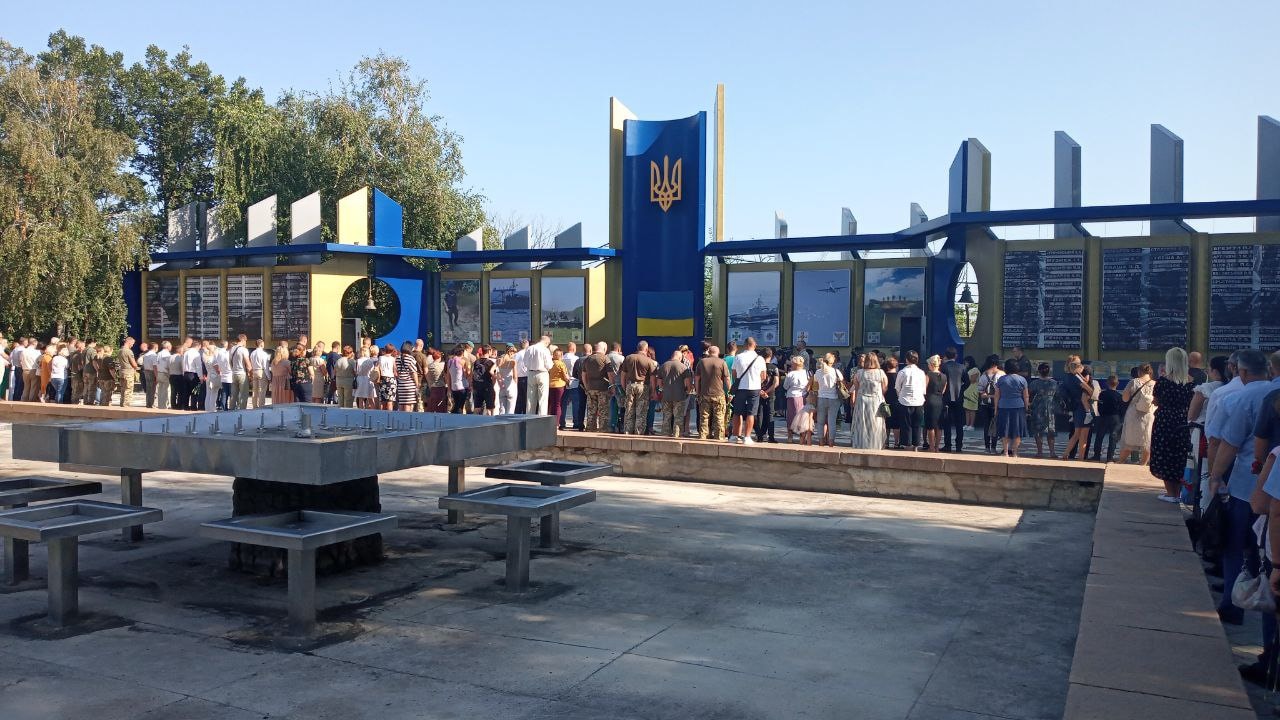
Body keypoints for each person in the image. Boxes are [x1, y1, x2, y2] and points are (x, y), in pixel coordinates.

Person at [1208, 349, 1272, 626]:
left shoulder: (1243, 397)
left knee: (1234, 545)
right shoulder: (1274, 393)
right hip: (1273, 490)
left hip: (1246, 486)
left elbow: (1228, 442)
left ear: (1241, 371)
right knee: (1266, 549)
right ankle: (1262, 597)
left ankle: (1233, 604)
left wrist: (1215, 476)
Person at [1149, 348, 1196, 502]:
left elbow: (1156, 400)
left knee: (1164, 453)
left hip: (1165, 421)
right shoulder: (1191, 382)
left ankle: (1171, 493)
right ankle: (1179, 492)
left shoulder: (1163, 382)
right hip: (1183, 420)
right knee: (1180, 455)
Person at [729, 338, 765, 444]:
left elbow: (734, 374)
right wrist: (757, 381)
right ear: (755, 345)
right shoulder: (760, 359)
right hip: (755, 388)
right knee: (751, 413)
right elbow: (763, 376)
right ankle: (747, 437)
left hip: (740, 388)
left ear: (744, 345)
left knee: (737, 412)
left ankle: (735, 436)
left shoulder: (738, 357)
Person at [849, 352, 888, 450]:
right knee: (876, 424)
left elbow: (856, 388)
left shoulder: (859, 373)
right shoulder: (881, 373)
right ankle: (876, 445)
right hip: (876, 401)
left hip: (862, 401)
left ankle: (860, 444)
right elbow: (885, 388)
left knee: (861, 424)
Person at [1119, 364, 1156, 465]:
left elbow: (1125, 399)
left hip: (1133, 414)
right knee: (1147, 441)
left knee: (1129, 440)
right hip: (1149, 414)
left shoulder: (1133, 382)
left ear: (1139, 372)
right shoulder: (1155, 384)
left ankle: (1121, 461)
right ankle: (1143, 464)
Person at [618, 341, 658, 434]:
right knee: (641, 411)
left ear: (637, 348)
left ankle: (628, 431)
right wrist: (653, 391)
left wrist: (624, 387)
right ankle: (638, 432)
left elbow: (623, 375)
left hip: (630, 385)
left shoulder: (628, 358)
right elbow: (653, 379)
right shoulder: (649, 361)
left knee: (629, 409)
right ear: (646, 349)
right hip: (643, 386)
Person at [994, 358, 1029, 457]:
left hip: (1003, 406)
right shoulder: (1022, 379)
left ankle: (1005, 452)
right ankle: (1015, 452)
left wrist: (996, 408)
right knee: (1017, 430)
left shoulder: (1001, 379)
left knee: (1005, 429)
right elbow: (1026, 396)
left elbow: (997, 395)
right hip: (1018, 406)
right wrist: (1026, 407)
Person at [1060, 361, 1094, 462]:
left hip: (1075, 407)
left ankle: (1066, 453)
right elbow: (1089, 390)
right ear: (1078, 368)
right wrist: (1091, 389)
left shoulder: (1067, 377)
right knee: (1084, 436)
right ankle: (1081, 457)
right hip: (1083, 409)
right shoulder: (1076, 378)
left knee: (1076, 434)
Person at [695, 346, 730, 441]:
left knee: (704, 417)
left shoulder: (701, 362)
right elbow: (727, 378)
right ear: (718, 352)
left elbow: (697, 379)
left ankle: (703, 436)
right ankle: (719, 437)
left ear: (708, 352)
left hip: (704, 393)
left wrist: (698, 392)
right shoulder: (722, 362)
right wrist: (729, 391)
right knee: (719, 417)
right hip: (719, 394)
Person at [579, 342, 614, 432]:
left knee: (591, 410)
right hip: (603, 388)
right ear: (604, 349)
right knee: (603, 410)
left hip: (590, 388)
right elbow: (610, 375)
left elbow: (583, 375)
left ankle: (590, 428)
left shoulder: (587, 359)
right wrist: (612, 386)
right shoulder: (605, 358)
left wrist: (586, 387)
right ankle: (603, 428)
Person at [895, 350, 926, 450]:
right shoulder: (921, 372)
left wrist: (900, 396)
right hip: (918, 401)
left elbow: (897, 387)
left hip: (905, 400)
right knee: (917, 425)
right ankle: (916, 445)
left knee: (906, 425)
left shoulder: (902, 372)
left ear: (906, 360)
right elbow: (923, 388)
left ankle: (907, 445)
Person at [658, 349, 692, 437]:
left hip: (666, 396)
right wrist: (688, 391)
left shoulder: (663, 365)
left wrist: (662, 389)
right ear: (680, 358)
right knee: (678, 417)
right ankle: (677, 435)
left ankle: (665, 434)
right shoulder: (683, 367)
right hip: (679, 396)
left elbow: (659, 382)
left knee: (666, 416)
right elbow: (688, 382)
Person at [1028, 363, 1059, 458]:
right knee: (1051, 431)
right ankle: (1052, 452)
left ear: (1039, 371)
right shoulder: (1054, 383)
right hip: (1050, 409)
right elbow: (1058, 396)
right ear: (1049, 371)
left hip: (1037, 409)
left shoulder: (1034, 383)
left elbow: (1029, 395)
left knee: (1038, 431)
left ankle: (1040, 452)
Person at [1091, 376, 1124, 463]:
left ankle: (1096, 456)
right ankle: (1110, 457)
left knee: (1099, 436)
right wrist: (1120, 418)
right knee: (1113, 437)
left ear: (1107, 383)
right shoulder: (1119, 396)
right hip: (1115, 418)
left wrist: (1101, 414)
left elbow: (1099, 406)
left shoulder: (1102, 394)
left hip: (1104, 417)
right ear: (1117, 384)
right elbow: (1122, 409)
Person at [813, 354, 844, 447]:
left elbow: (815, 385)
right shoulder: (836, 371)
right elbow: (842, 381)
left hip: (821, 397)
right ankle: (831, 443)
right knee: (832, 422)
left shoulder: (818, 371)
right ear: (832, 361)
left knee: (820, 422)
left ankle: (821, 442)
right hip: (833, 398)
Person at [975, 357, 1004, 454]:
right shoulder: (1001, 374)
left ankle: (987, 447)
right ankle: (994, 448)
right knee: (995, 425)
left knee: (986, 426)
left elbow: (979, 389)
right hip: (997, 403)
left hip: (985, 403)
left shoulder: (984, 375)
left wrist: (986, 395)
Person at [940, 348, 966, 452]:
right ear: (956, 356)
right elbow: (967, 382)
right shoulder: (962, 367)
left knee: (947, 423)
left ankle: (948, 445)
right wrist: (961, 390)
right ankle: (959, 446)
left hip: (946, 397)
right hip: (959, 397)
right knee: (959, 423)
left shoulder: (943, 367)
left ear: (946, 356)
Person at [922, 355, 947, 452]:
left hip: (930, 400)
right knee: (939, 426)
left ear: (931, 364)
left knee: (930, 426)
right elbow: (943, 390)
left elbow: (924, 389)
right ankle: (937, 447)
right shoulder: (944, 376)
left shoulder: (928, 375)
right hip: (940, 400)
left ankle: (931, 446)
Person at [782, 356, 810, 444]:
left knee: (791, 417)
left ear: (794, 364)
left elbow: (785, 386)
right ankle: (803, 436)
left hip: (792, 396)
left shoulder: (791, 374)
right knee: (803, 417)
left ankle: (790, 436)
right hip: (804, 396)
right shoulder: (807, 373)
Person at [755, 348, 779, 443]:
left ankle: (759, 436)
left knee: (759, 414)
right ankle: (771, 437)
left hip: (758, 393)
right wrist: (767, 392)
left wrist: (761, 391)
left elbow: (754, 380)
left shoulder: (757, 367)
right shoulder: (774, 367)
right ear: (771, 356)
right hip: (770, 394)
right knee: (770, 414)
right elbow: (776, 383)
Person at [525, 336, 553, 416]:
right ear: (547, 342)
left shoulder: (530, 348)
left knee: (530, 398)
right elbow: (549, 365)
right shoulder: (545, 350)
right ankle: (542, 417)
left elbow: (525, 362)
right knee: (543, 399)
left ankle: (529, 417)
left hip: (531, 373)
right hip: (542, 373)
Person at [471, 345, 497, 415]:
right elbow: (493, 377)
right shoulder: (491, 363)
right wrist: (492, 385)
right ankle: (490, 421)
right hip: (487, 386)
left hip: (477, 386)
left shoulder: (476, 362)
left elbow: (472, 374)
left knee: (477, 408)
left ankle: (474, 421)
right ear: (489, 351)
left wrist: (472, 385)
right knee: (490, 408)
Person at [394, 341, 419, 411]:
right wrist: (417, 385)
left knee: (401, 404)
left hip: (401, 384)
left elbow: (396, 372)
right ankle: (407, 418)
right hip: (409, 385)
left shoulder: (397, 358)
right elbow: (414, 373)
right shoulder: (410, 358)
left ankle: (401, 418)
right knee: (408, 405)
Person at [883, 357, 902, 448]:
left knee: (886, 423)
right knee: (896, 424)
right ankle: (896, 443)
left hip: (886, 400)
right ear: (896, 366)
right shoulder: (899, 376)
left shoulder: (884, 375)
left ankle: (886, 442)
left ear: (887, 366)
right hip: (897, 400)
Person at [229, 335, 251, 411]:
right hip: (242, 373)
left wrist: (233, 369)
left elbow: (230, 362)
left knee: (233, 395)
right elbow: (248, 364)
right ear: (243, 340)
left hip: (234, 373)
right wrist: (250, 373)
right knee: (243, 395)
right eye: (246, 341)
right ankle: (242, 411)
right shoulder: (243, 350)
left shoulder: (232, 349)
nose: (246, 342)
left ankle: (231, 410)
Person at [249, 339, 271, 409]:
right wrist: (269, 377)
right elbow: (265, 366)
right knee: (262, 390)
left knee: (254, 390)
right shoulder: (264, 354)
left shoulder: (252, 353)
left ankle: (254, 405)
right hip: (261, 371)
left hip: (254, 371)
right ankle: (261, 405)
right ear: (261, 344)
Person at [446, 345, 469, 414]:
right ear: (462, 352)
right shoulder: (462, 361)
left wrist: (449, 388)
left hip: (454, 387)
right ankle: (459, 418)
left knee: (456, 405)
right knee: (460, 407)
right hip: (462, 386)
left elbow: (448, 376)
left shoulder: (450, 361)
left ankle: (454, 417)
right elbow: (466, 375)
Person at [116, 337, 138, 407]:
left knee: (123, 389)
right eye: (132, 343)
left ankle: (122, 404)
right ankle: (126, 405)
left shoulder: (120, 350)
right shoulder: (128, 351)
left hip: (122, 372)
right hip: (128, 373)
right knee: (128, 390)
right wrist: (137, 367)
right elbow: (134, 364)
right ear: (129, 342)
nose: (132, 345)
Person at [211, 340, 233, 411]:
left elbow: (214, 363)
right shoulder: (228, 353)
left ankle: (223, 407)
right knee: (231, 393)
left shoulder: (217, 352)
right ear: (226, 345)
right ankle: (232, 407)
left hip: (223, 374)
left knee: (224, 393)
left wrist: (218, 371)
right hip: (230, 374)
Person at [377, 345, 397, 410]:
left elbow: (377, 367)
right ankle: (389, 415)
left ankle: (381, 415)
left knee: (382, 400)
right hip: (391, 380)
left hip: (382, 379)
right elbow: (395, 370)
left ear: (385, 350)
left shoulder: (380, 358)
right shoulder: (393, 359)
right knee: (390, 401)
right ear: (392, 351)